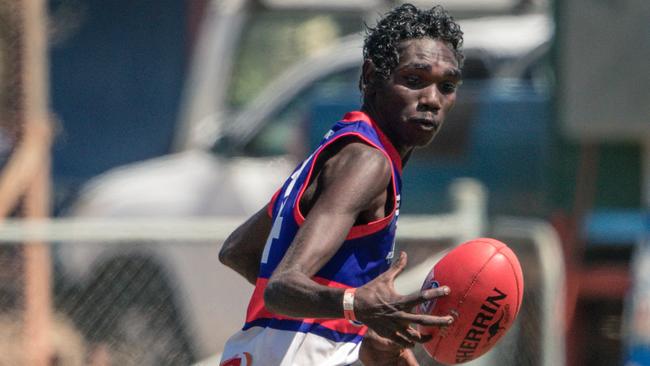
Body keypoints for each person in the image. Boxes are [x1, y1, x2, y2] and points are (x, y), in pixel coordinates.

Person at [218, 3, 464, 365]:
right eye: (414, 80)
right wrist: (355, 306)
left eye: (447, 85)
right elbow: (283, 286)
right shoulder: (367, 161)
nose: (431, 99)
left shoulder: (346, 148)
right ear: (370, 76)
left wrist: (353, 325)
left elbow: (238, 249)